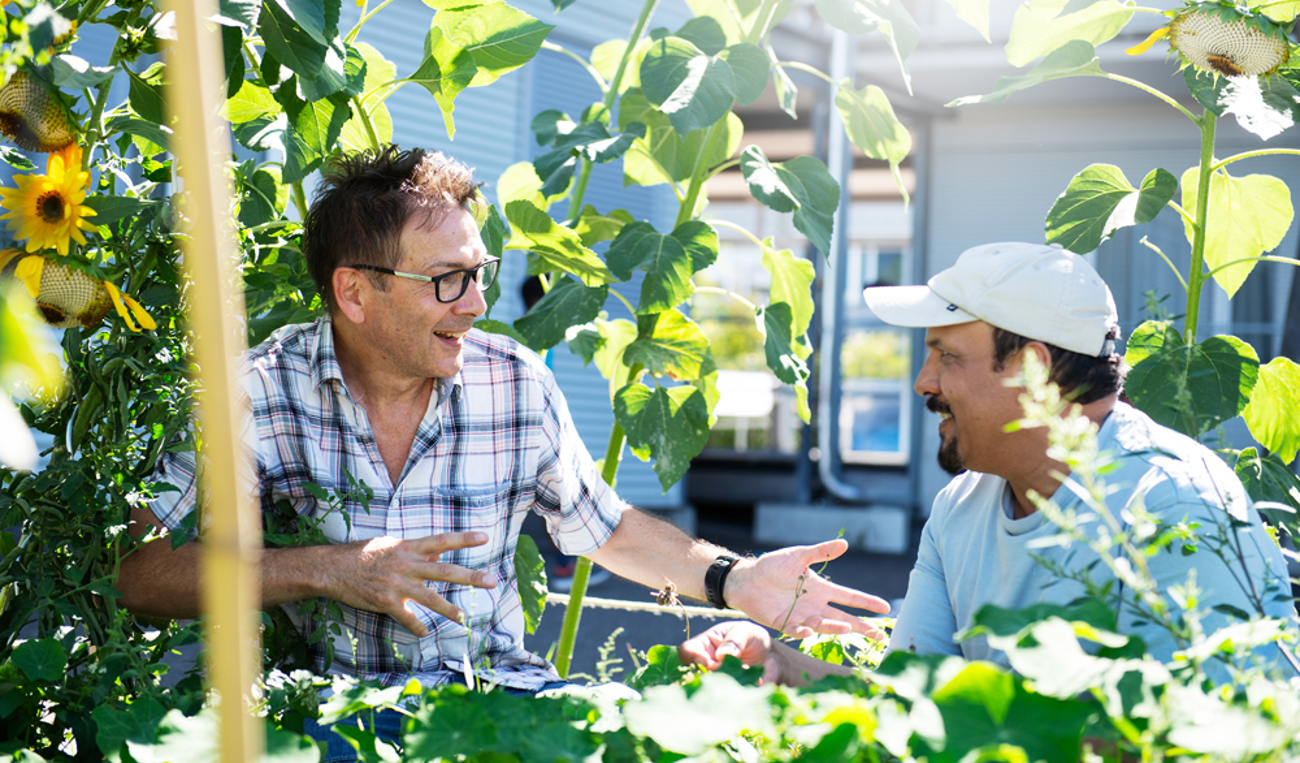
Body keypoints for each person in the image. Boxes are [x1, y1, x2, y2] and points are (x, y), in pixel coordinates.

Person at [115, 147, 888, 697]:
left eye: (479, 274)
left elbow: (606, 529)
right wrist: (328, 568)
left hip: (501, 701)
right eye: (448, 280)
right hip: (334, 719)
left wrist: (734, 578)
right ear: (354, 293)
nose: (478, 305)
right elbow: (141, 575)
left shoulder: (514, 382)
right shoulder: (257, 390)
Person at [681, 242, 1297, 684]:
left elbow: (1214, 735)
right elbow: (914, 701)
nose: (924, 383)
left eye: (946, 356)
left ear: (1033, 368)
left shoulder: (1171, 503)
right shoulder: (961, 506)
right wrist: (779, 662)